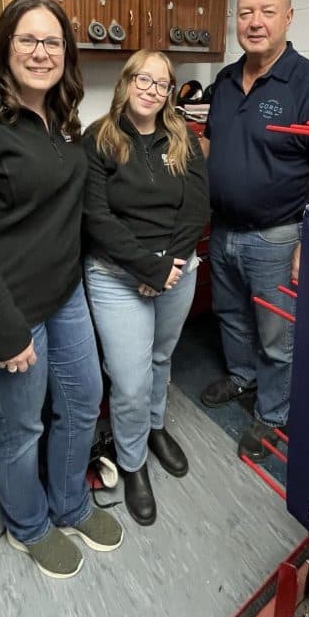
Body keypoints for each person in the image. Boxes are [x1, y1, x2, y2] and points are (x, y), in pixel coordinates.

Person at [0, 0, 123, 579]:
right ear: (5, 47)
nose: (41, 53)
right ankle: (29, 526)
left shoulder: (62, 120)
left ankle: (71, 504)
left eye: (52, 42)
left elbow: (65, 212)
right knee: (20, 424)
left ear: (66, 53)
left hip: (60, 294)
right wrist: (7, 332)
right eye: (28, 40)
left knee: (83, 399)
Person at [200, 0, 309, 462]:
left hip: (278, 236)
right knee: (230, 315)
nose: (255, 22)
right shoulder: (225, 81)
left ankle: (272, 413)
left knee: (276, 335)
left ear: (288, 17)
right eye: (246, 12)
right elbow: (213, 143)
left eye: (267, 12)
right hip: (224, 229)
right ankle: (242, 378)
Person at [83, 51, 209, 525]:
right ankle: (133, 462)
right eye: (144, 79)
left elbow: (197, 206)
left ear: (170, 92)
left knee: (160, 358)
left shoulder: (183, 138)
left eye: (162, 84)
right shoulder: (99, 138)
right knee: (131, 380)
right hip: (117, 276)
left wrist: (170, 264)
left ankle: (155, 427)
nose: (152, 90)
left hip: (177, 269)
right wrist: (148, 269)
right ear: (127, 81)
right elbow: (96, 217)